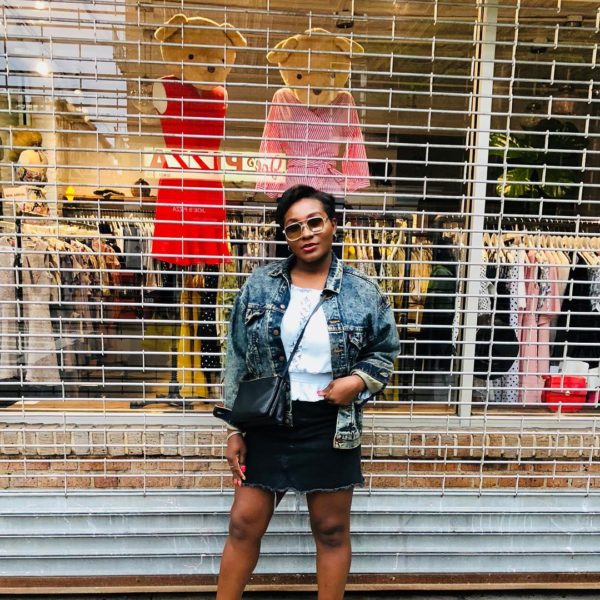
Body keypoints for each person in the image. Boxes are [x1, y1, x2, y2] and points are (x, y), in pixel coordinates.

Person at [216, 185, 400, 600]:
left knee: (331, 530)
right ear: (285, 236)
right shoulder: (260, 285)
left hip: (329, 424)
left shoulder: (362, 291)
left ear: (332, 224)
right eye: (294, 227)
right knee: (243, 523)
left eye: (315, 222)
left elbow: (385, 351)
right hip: (267, 420)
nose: (306, 233)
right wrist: (233, 429)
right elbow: (237, 357)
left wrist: (358, 382)